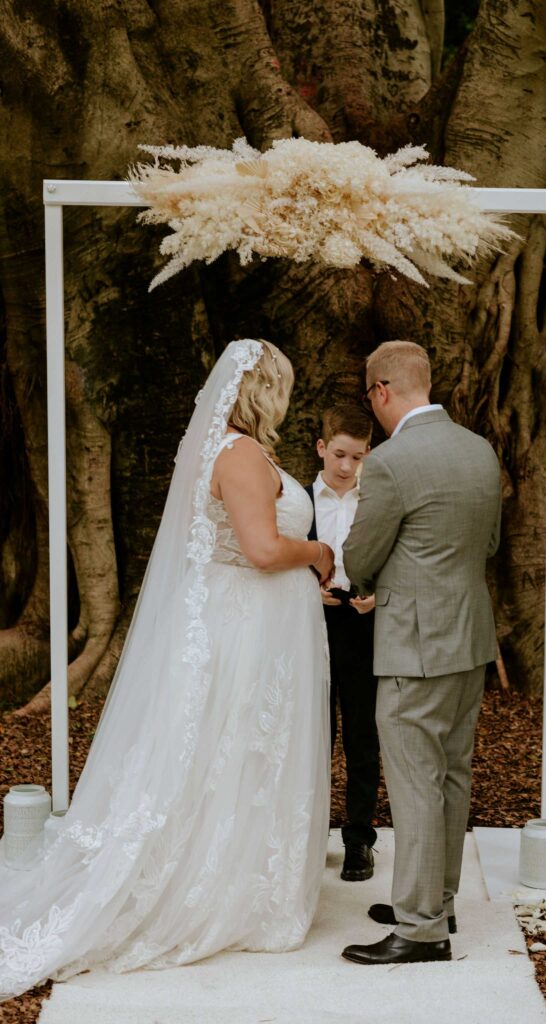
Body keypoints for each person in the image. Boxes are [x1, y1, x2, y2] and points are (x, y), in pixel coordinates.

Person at [0, 339, 335, 1001]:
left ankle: (242, 875)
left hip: (254, 629)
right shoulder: (238, 455)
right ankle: (220, 890)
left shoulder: (236, 450)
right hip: (243, 634)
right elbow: (263, 549)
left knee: (239, 757)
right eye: (283, 386)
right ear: (264, 389)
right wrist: (319, 552)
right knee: (228, 754)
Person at [341, 340, 501, 966]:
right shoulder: (479, 449)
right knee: (451, 773)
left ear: (381, 391)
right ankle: (438, 897)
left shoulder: (391, 461)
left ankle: (420, 928)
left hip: (415, 646)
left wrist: (365, 579)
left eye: (369, 396)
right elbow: (485, 542)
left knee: (414, 783)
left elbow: (360, 558)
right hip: (470, 638)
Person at [305, 405, 379, 882]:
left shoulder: (377, 499)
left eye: (357, 456)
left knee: (361, 734)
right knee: (312, 734)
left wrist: (379, 594)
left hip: (362, 622)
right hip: (309, 622)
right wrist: (306, 591)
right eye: (338, 454)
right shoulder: (297, 499)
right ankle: (309, 838)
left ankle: (358, 839)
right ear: (321, 448)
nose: (347, 466)